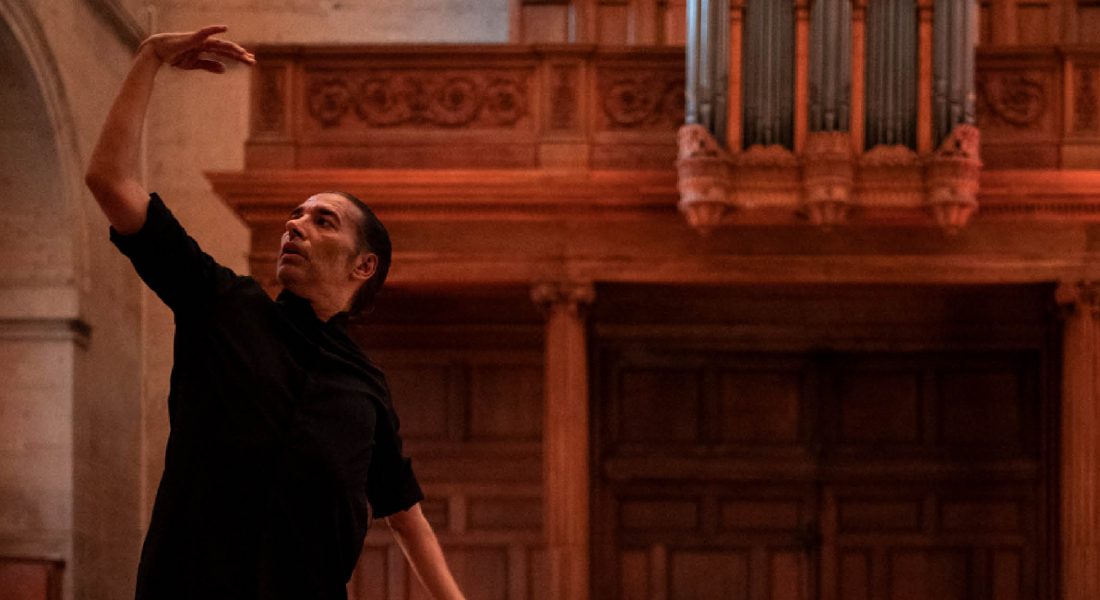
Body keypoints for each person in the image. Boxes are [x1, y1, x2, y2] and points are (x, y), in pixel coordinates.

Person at [84, 25, 465, 600]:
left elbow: (403, 509)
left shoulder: (365, 388)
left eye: (322, 220)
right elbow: (110, 182)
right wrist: (149, 58)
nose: (296, 224)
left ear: (364, 266)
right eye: (296, 215)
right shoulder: (222, 305)